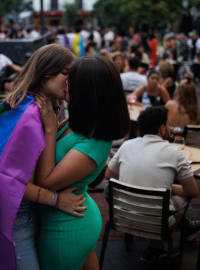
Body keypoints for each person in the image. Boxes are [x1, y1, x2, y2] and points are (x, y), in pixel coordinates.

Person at [0, 44, 87, 270]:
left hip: (23, 212)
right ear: (46, 72)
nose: (70, 81)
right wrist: (58, 200)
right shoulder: (29, 117)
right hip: (18, 216)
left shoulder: (33, 107)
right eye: (66, 73)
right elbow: (7, 180)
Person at [35, 56, 130, 270]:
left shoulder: (95, 142)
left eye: (72, 78)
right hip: (71, 216)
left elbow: (46, 181)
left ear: (87, 90)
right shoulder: (81, 120)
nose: (66, 81)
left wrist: (50, 128)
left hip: (66, 228)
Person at [105, 106, 199, 265]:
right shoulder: (175, 152)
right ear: (162, 129)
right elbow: (193, 191)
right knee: (182, 197)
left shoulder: (128, 145)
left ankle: (155, 248)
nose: (168, 128)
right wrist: (170, 188)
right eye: (168, 125)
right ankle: (176, 236)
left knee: (155, 198)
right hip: (157, 222)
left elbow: (109, 176)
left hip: (122, 216)